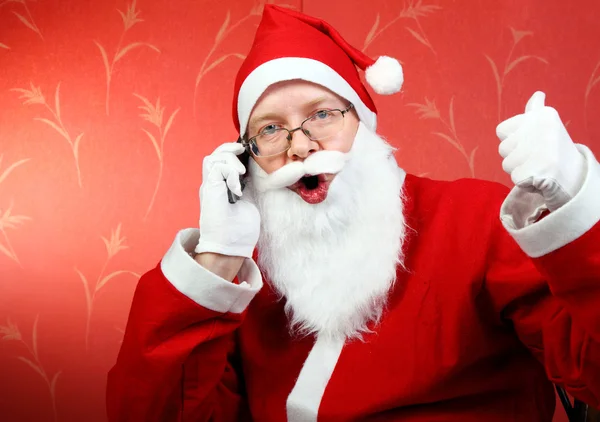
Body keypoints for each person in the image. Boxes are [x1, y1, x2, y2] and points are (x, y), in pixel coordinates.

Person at [106, 5, 600, 422]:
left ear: (363, 126)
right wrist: (216, 260)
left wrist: (577, 203)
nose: (300, 146)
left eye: (322, 115)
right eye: (270, 130)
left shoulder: (476, 218)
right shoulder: (248, 271)